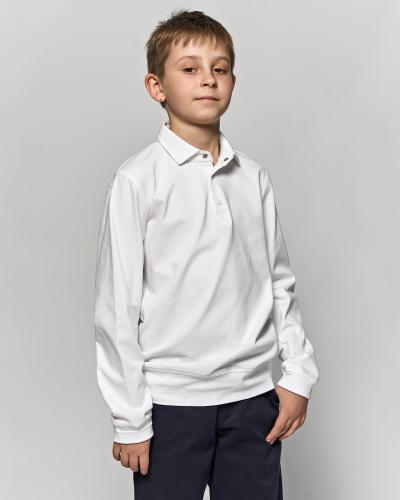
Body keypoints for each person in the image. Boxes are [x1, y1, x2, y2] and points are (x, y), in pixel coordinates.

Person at [94, 8, 319, 500]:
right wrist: (130, 419)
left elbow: (278, 282)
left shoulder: (252, 177)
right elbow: (117, 309)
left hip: (252, 399)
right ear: (157, 86)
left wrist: (298, 375)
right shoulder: (137, 180)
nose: (208, 80)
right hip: (171, 404)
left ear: (233, 81)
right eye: (190, 69)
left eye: (220, 68)